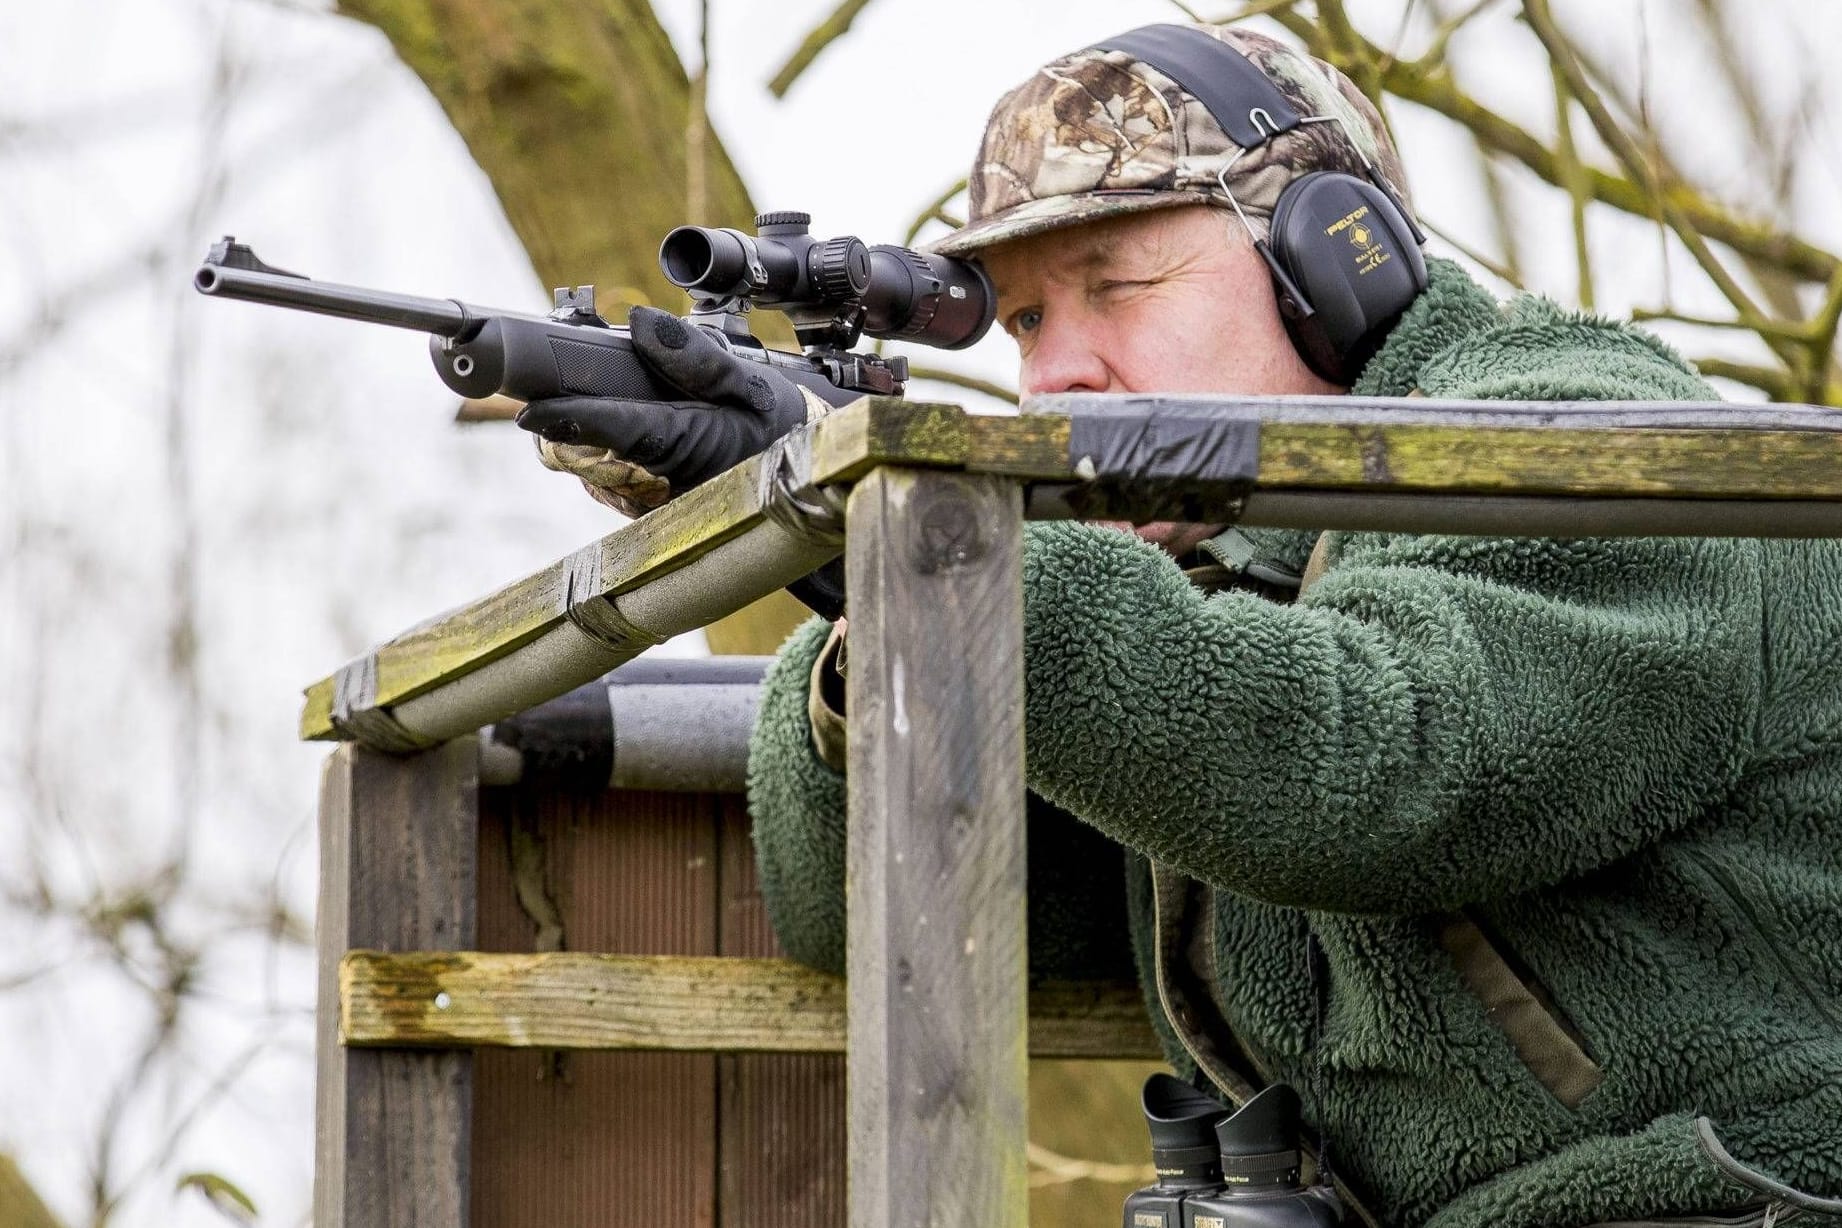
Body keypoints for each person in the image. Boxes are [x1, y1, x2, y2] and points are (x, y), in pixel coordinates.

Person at [529, 23, 1842, 1228]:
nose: (1055, 375)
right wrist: (867, 587)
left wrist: (950, 560)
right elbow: (870, 908)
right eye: (1030, 319)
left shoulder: (1590, 442)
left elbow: (1368, 761)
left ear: (1335, 263)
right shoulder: (1224, 574)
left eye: (1115, 288)